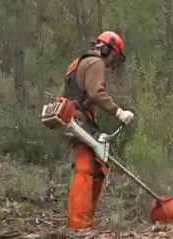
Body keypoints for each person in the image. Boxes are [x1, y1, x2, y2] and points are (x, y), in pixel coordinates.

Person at [56, 31, 135, 230]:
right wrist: (118, 112)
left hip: (75, 120)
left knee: (98, 168)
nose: (112, 62)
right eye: (114, 56)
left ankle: (86, 218)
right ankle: (79, 224)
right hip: (80, 121)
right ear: (106, 49)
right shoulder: (96, 62)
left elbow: (61, 95)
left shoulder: (76, 64)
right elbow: (96, 93)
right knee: (84, 169)